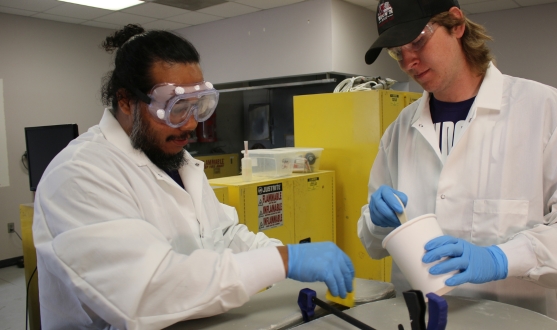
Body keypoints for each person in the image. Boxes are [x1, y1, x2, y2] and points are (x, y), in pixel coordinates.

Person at [33, 24, 354, 330]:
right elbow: (148, 293)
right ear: (127, 100)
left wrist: (283, 252)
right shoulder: (79, 175)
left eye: (198, 106)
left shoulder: (178, 161)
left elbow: (223, 235)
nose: (191, 125)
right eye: (175, 108)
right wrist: (283, 260)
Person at [358, 0, 557, 323]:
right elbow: (373, 242)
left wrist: (501, 258)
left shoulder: (549, 113)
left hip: (526, 321)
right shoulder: (398, 133)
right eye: (397, 53)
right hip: (425, 319)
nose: (409, 62)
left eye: (417, 41)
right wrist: (376, 221)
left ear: (456, 24)